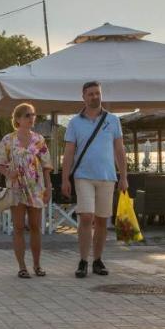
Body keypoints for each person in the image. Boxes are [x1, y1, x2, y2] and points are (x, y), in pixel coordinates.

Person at [60, 81, 128, 278]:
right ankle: (83, 260)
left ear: (101, 95)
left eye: (97, 93)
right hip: (83, 176)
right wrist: (65, 179)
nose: (94, 97)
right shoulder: (74, 123)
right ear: (83, 97)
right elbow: (69, 152)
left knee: (101, 220)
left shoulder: (113, 120)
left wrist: (124, 176)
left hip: (107, 176)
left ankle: (97, 259)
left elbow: (119, 149)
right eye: (90, 94)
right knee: (86, 216)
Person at [0, 102, 53, 278]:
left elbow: (46, 166)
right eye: (27, 115)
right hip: (16, 188)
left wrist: (49, 188)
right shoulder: (8, 140)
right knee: (19, 227)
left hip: (36, 187)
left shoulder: (39, 140)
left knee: (36, 227)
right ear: (18, 119)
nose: (31, 118)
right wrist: (8, 172)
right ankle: (22, 266)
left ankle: (37, 265)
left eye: (33, 115)